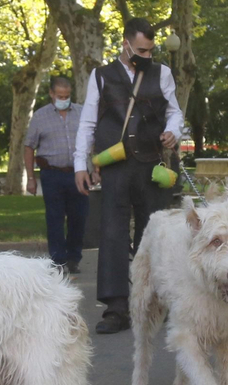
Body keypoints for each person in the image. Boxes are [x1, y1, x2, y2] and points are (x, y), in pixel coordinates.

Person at [73, 18, 184, 335]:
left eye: (150, 50)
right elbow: (88, 123)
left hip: (152, 165)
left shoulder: (162, 73)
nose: (146, 56)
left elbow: (174, 111)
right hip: (116, 166)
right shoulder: (101, 76)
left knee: (155, 234)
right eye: (140, 50)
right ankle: (116, 308)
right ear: (125, 44)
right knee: (112, 233)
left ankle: (155, 302)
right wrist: (80, 164)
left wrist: (172, 131)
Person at [24, 75, 88, 274]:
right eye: (60, 95)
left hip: (77, 174)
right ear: (51, 94)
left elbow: (90, 142)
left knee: (79, 217)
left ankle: (74, 257)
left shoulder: (81, 113)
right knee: (55, 218)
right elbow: (29, 147)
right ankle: (58, 259)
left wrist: (94, 171)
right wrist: (31, 178)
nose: (63, 99)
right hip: (51, 174)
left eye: (67, 95)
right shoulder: (40, 117)